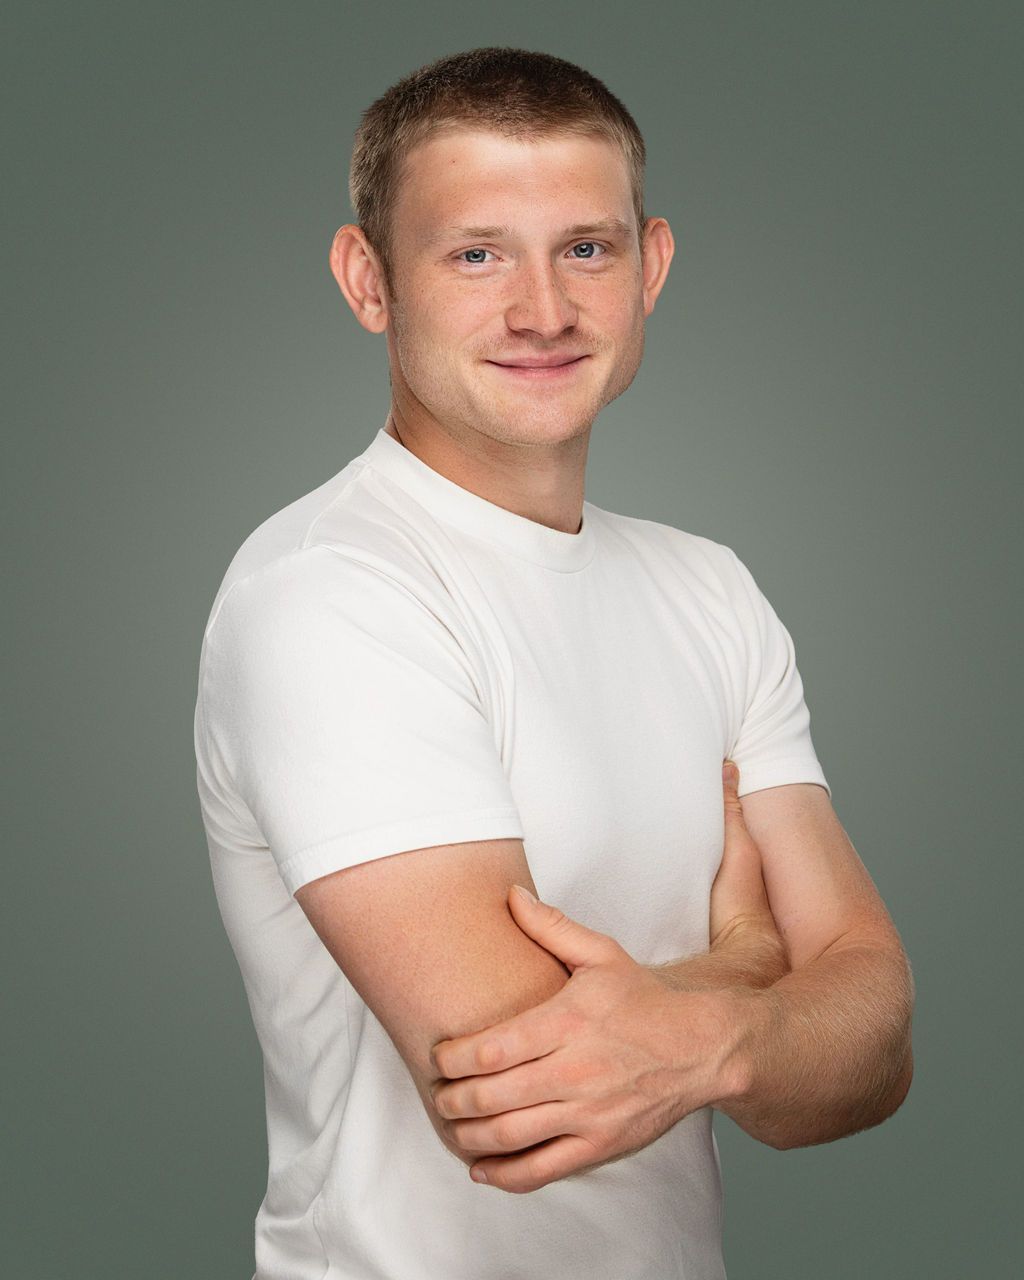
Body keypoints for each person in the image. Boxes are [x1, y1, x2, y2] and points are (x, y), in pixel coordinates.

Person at [193, 46, 914, 1280]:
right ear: (369, 281)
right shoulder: (329, 591)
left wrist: (709, 1035)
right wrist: (752, 969)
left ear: (653, 267)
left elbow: (873, 1047)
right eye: (476, 254)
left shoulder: (712, 589)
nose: (542, 309)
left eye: (586, 247)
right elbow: (522, 1102)